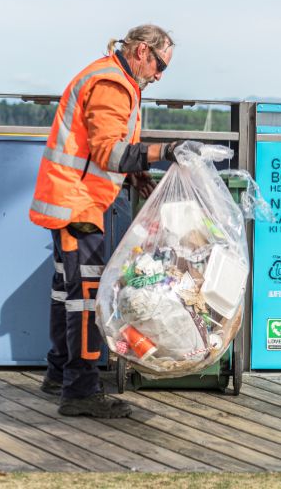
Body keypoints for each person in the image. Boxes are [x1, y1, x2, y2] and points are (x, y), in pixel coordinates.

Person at [29, 24, 184, 418]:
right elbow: (107, 153)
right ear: (142, 52)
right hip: (77, 205)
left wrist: (136, 175)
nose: (160, 75)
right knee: (86, 298)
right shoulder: (113, 84)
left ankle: (58, 372)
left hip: (68, 200)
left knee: (66, 290)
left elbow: (104, 150)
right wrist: (164, 151)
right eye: (160, 64)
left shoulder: (108, 76)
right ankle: (80, 392)